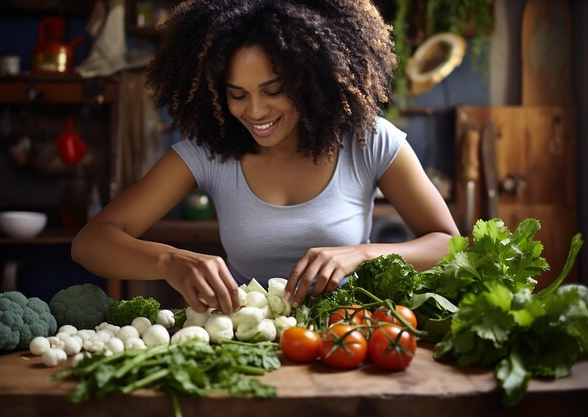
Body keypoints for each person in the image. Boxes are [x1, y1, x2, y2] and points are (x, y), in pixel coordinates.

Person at [71, 0, 460, 315]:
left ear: (310, 80)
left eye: (272, 90)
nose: (255, 111)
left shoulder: (368, 141)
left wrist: (362, 255)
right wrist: (168, 261)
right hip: (247, 338)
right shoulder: (210, 151)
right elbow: (91, 242)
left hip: (347, 334)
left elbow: (449, 244)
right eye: (237, 94)